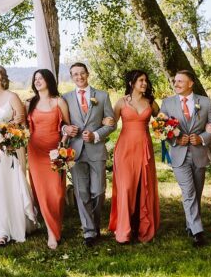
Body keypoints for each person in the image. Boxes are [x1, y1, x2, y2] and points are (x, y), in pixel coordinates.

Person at [0, 65, 38, 245]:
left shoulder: (12, 97)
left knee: (11, 182)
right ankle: (0, 230)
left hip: (11, 146)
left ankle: (17, 223)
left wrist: (15, 124)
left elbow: (22, 123)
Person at [159, 70, 211, 247]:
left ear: (190, 83)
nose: (176, 84)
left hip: (199, 153)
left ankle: (190, 225)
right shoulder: (167, 103)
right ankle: (197, 231)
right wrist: (175, 139)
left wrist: (202, 138)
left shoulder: (205, 102)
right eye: (175, 81)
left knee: (197, 191)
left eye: (180, 81)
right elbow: (160, 127)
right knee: (189, 191)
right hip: (178, 155)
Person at [62, 63, 115, 247]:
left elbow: (111, 124)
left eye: (82, 73)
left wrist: (96, 135)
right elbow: (59, 123)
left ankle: (95, 224)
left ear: (88, 74)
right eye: (75, 74)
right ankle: (89, 232)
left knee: (98, 191)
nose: (79, 77)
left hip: (96, 149)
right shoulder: (65, 98)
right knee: (81, 192)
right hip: (75, 152)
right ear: (71, 77)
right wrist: (66, 129)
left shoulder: (102, 96)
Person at [109, 70, 160, 244]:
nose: (144, 83)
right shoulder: (121, 102)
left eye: (146, 80)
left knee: (144, 186)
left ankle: (143, 227)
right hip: (125, 149)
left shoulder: (151, 102)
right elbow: (111, 124)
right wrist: (105, 122)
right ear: (131, 83)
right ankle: (123, 230)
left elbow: (163, 119)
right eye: (140, 80)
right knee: (126, 188)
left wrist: (166, 128)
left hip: (144, 148)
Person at [27, 68, 71, 249]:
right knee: (42, 193)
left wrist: (62, 145)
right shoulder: (30, 103)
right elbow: (23, 126)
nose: (37, 81)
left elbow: (67, 127)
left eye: (41, 78)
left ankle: (55, 225)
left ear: (49, 81)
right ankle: (51, 233)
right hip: (35, 153)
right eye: (35, 79)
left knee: (57, 193)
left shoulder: (59, 102)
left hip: (55, 152)